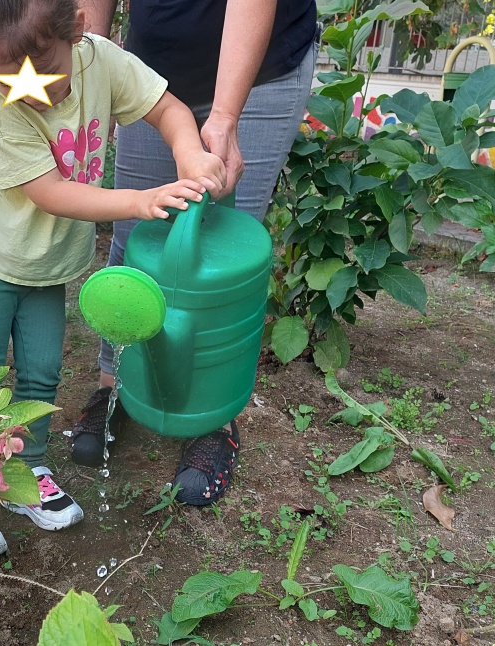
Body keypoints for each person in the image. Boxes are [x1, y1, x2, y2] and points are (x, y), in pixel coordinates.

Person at [0, 0, 227, 562]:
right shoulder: (1, 104)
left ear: (76, 28)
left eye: (39, 65)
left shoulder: (102, 62)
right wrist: (138, 200)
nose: (25, 84)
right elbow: (51, 192)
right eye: (2, 69)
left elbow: (167, 108)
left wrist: (190, 151)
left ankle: (27, 473)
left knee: (44, 368)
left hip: (47, 264)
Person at [69, 0, 319, 507]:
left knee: (223, 256)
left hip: (260, 67)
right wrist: (87, 67)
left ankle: (212, 416)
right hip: (153, 68)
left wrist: (226, 115)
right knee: (138, 242)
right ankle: (114, 385)